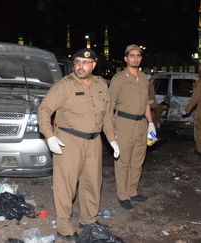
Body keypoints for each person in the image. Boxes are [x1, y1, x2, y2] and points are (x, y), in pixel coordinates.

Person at [38, 48, 119, 240]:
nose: (80, 66)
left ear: (94, 65)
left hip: (94, 142)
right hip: (69, 141)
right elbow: (44, 110)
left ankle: (88, 220)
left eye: (85, 62)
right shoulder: (64, 85)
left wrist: (112, 139)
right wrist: (49, 136)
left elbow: (106, 115)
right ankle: (65, 226)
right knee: (66, 185)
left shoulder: (101, 84)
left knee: (92, 183)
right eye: (77, 62)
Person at [109, 44, 155, 210]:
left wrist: (151, 124)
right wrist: (110, 128)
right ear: (126, 58)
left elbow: (146, 105)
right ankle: (123, 195)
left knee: (138, 160)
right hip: (124, 124)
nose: (135, 58)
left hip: (141, 124)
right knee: (123, 161)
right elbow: (110, 105)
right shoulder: (119, 78)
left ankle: (132, 191)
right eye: (132, 56)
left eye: (138, 56)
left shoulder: (144, 78)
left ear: (140, 59)